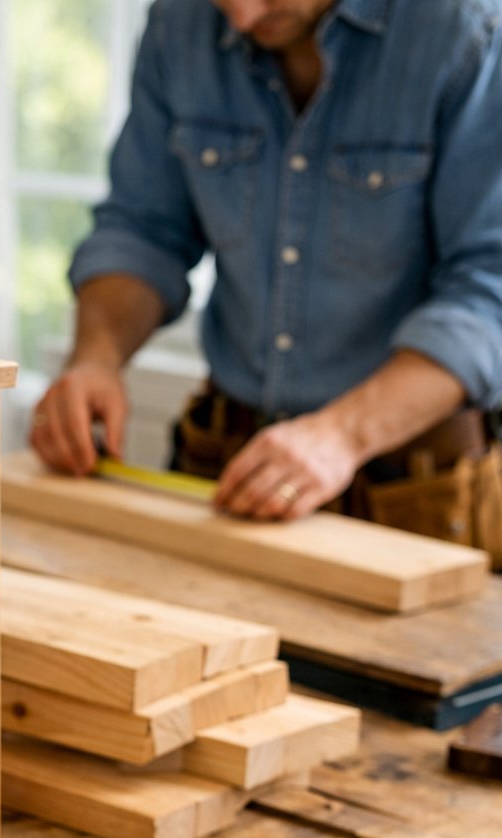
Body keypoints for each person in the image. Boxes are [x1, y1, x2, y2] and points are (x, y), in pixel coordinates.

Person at [30, 0, 502, 560]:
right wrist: (96, 357)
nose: (240, 18)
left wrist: (341, 434)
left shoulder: (467, 32)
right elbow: (142, 228)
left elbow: (488, 289)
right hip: (226, 458)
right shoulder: (179, 24)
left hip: (416, 485)